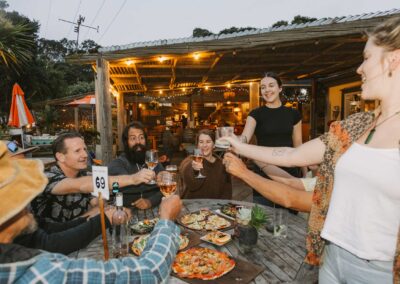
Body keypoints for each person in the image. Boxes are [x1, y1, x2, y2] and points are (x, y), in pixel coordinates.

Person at [218, 16, 400, 283]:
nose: (359, 69)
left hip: (379, 270)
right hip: (329, 255)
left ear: (393, 59)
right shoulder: (357, 125)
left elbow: (295, 154)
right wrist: (237, 144)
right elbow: (293, 154)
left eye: (367, 58)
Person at [0, 142, 183, 283]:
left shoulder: (85, 172)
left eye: (84, 149)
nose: (27, 203)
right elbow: (148, 273)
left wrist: (99, 211)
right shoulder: (39, 273)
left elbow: (52, 227)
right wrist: (166, 220)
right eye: (19, 198)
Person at [31, 132, 155, 222]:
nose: (85, 155)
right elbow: (81, 185)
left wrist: (105, 202)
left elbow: (97, 200)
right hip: (46, 247)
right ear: (60, 157)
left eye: (85, 149)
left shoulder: (85, 174)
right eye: (77, 151)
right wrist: (132, 179)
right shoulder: (45, 178)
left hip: (78, 238)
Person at [240, 72, 305, 206]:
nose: (267, 90)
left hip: (289, 171)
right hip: (264, 171)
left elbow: (298, 144)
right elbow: (244, 138)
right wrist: (232, 140)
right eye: (263, 87)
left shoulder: (293, 114)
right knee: (263, 215)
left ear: (280, 88)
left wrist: (305, 175)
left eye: (271, 85)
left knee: (288, 218)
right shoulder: (255, 114)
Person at [223, 152, 314, 212]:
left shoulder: (327, 186)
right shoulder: (315, 179)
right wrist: (253, 155)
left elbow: (290, 199)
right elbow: (288, 181)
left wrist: (243, 172)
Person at [108, 122, 164, 209]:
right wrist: (135, 178)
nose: (138, 142)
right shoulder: (118, 164)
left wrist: (151, 201)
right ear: (126, 142)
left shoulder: (152, 161)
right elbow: (115, 188)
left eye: (141, 137)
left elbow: (166, 188)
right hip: (126, 211)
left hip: (155, 209)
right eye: (133, 138)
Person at [179, 129, 232, 199]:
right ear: (197, 145)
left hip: (215, 208)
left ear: (214, 145)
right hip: (192, 207)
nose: (204, 145)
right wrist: (195, 171)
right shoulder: (190, 161)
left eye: (208, 142)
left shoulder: (222, 165)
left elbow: (227, 191)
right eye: (201, 142)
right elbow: (191, 184)